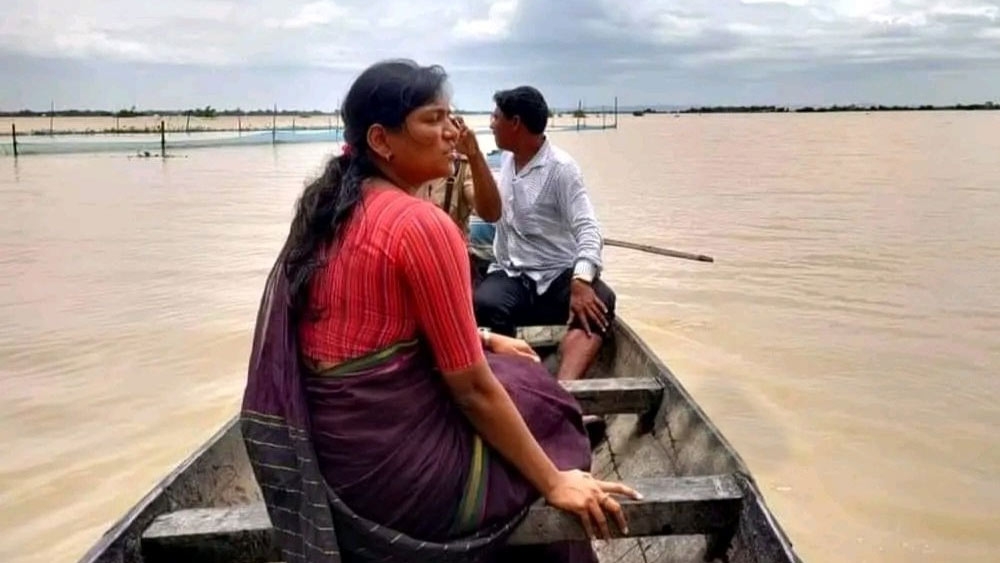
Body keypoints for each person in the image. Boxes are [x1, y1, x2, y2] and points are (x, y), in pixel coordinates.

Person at [240, 60, 638, 563]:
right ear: (383, 141)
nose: (453, 132)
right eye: (434, 119)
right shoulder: (422, 224)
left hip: (336, 460)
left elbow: (376, 325)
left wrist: (487, 339)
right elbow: (471, 390)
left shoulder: (330, 207)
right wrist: (555, 481)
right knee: (545, 403)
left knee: (512, 367)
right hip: (396, 481)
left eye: (452, 118)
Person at [474, 86, 616, 382]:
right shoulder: (508, 158)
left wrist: (580, 280)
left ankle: (564, 389)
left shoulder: (562, 169)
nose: (490, 123)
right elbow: (491, 211)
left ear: (515, 123)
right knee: (484, 304)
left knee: (601, 299)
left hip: (555, 277)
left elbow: (588, 228)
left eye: (495, 116)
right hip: (512, 273)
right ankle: (515, 381)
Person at [416, 115, 500, 285]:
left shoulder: (461, 168)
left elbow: (490, 213)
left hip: (449, 265)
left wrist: (474, 155)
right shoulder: (403, 164)